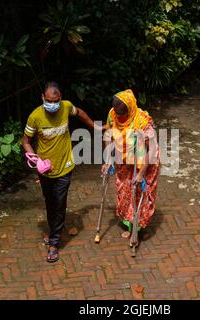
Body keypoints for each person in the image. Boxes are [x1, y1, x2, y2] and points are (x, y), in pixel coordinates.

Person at [22, 81, 101, 263]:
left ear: (60, 98)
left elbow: (79, 112)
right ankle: (54, 231)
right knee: (50, 202)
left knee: (59, 202)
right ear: (43, 98)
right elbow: (25, 141)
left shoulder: (66, 107)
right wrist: (35, 158)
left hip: (65, 166)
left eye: (55, 100)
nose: (53, 104)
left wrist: (95, 127)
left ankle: (54, 243)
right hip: (45, 170)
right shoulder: (35, 116)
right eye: (49, 100)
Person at [102, 89, 160, 244]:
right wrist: (108, 159)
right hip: (124, 159)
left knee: (140, 192)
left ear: (130, 108)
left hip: (145, 160)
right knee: (126, 190)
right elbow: (108, 135)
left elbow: (151, 150)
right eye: (117, 112)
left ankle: (138, 228)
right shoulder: (112, 114)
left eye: (122, 113)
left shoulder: (142, 122)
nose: (119, 116)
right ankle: (130, 224)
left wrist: (141, 174)